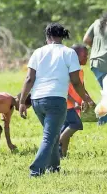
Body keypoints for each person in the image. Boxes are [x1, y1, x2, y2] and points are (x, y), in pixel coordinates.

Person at [19, 23, 95, 177]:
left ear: (47, 37)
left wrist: (21, 101)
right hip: (56, 100)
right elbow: (75, 81)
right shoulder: (68, 53)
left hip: (37, 100)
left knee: (52, 135)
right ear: (62, 36)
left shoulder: (38, 52)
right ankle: (36, 170)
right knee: (50, 136)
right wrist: (86, 98)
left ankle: (54, 168)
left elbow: (29, 79)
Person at [59, 44, 90, 158]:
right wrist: (74, 102)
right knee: (76, 124)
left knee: (65, 131)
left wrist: (87, 98)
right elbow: (63, 89)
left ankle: (62, 155)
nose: (87, 58)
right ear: (75, 56)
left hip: (74, 106)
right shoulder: (67, 70)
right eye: (84, 55)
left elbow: (81, 87)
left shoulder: (80, 71)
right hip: (66, 105)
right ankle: (57, 144)